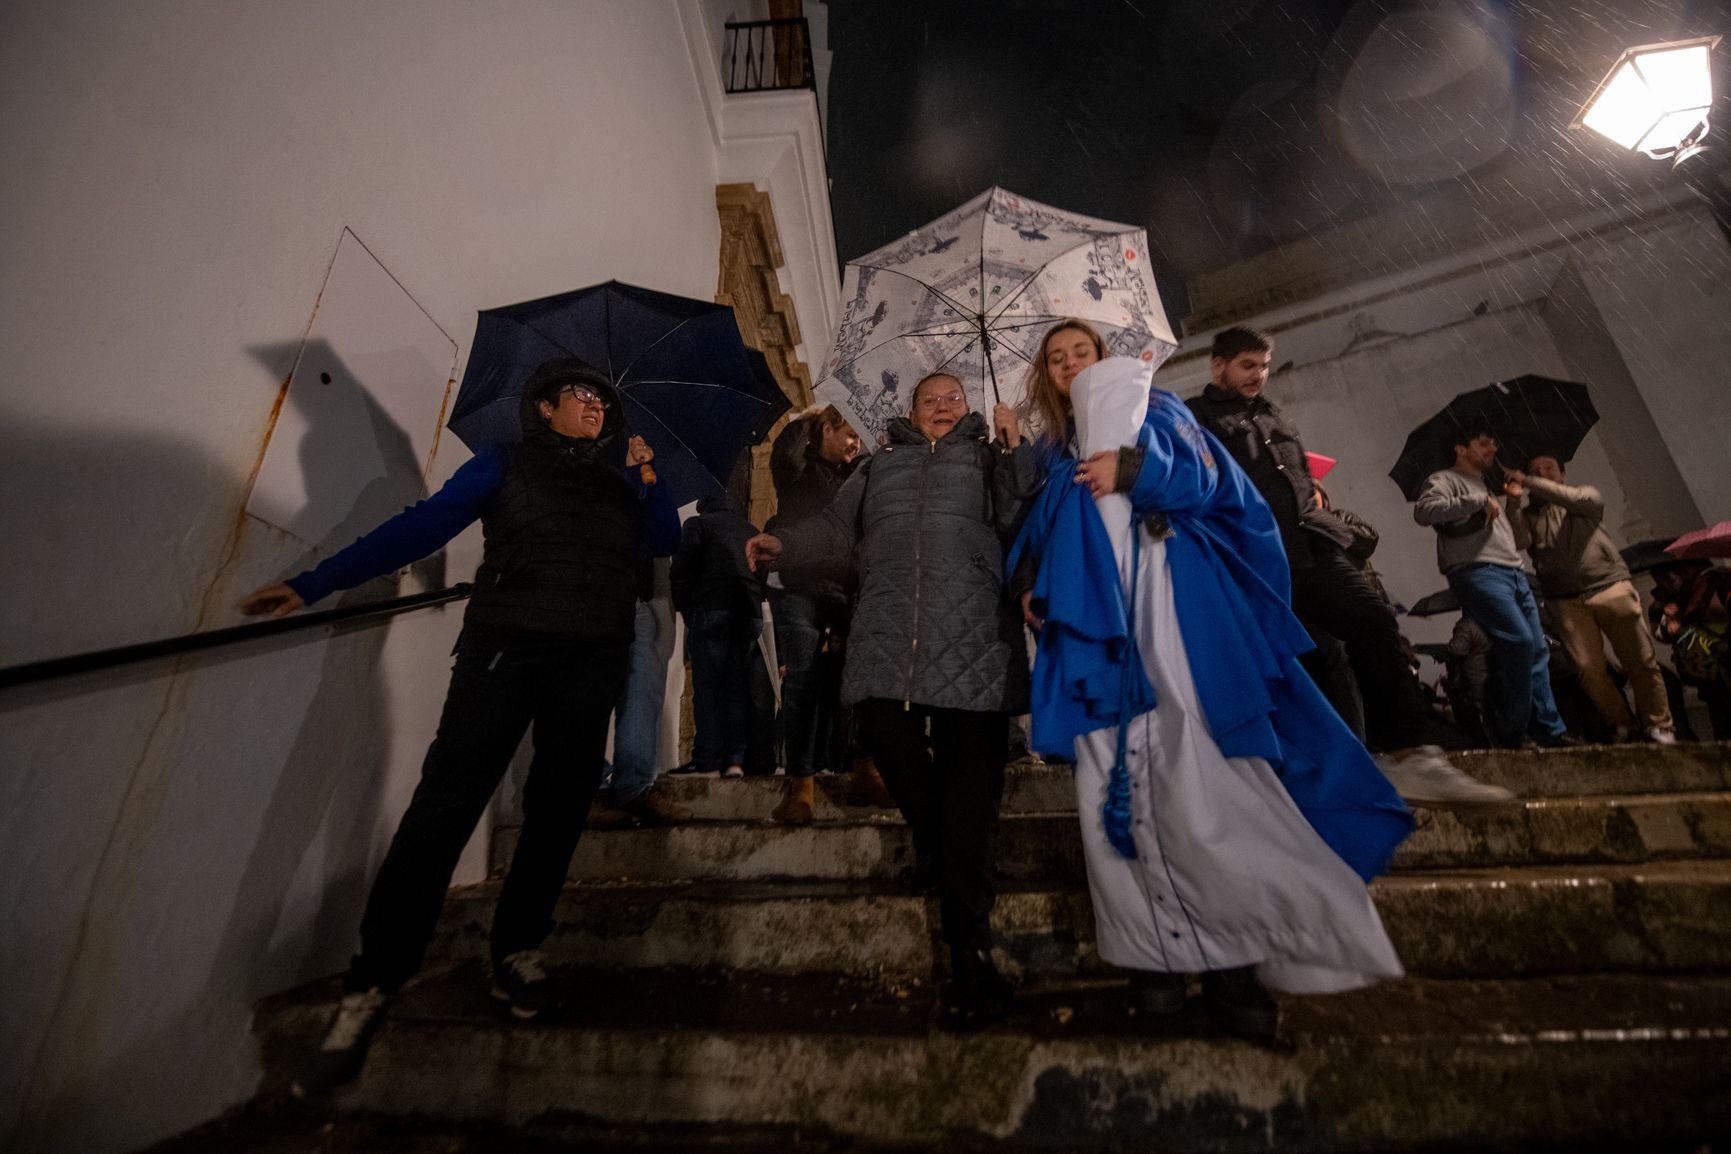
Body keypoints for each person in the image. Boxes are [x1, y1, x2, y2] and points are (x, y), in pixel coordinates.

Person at [238, 357, 678, 1093]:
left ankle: (517, 952)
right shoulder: (501, 464)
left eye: (604, 400)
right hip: (506, 648)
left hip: (591, 660)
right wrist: (315, 582)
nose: (596, 407)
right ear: (542, 408)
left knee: (558, 808)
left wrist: (647, 475)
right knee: (447, 803)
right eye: (580, 395)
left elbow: (658, 542)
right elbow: (422, 527)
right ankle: (375, 976)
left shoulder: (618, 485)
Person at [1011, 321, 1412, 1043]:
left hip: (1172, 615)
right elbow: (1043, 532)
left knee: (1200, 776)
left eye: (1081, 351)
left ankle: (1234, 967)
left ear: (1104, 359)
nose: (1070, 363)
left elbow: (1207, 481)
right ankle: (1154, 959)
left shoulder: (1157, 409)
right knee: (1111, 789)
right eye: (1056, 357)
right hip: (1096, 637)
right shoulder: (1050, 450)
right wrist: (1038, 581)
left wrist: (1129, 472)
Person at [745, 372, 1041, 1028]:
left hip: (976, 647)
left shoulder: (989, 457)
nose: (941, 405)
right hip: (886, 642)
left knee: (969, 805)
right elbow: (833, 531)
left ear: (966, 411)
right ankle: (936, 850)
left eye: (952, 399)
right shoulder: (877, 466)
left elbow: (1021, 520)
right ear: (909, 410)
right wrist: (784, 544)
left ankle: (970, 957)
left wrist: (1013, 453)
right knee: (890, 746)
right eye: (929, 397)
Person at [1186, 326, 1511, 806]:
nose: (1259, 375)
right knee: (1307, 662)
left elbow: (1290, 476)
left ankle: (1407, 754)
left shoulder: (1275, 414)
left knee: (1372, 620)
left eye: (1264, 365)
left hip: (1314, 543)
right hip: (1257, 558)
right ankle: (1329, 769)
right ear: (1219, 366)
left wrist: (1312, 495)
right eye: (1247, 366)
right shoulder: (1197, 418)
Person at [762, 405, 887, 822]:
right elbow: (783, 448)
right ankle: (800, 785)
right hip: (798, 589)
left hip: (844, 592)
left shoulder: (858, 476)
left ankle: (864, 771)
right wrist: (808, 417)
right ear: (825, 430)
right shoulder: (797, 468)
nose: (854, 443)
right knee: (802, 683)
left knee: (854, 685)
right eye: (848, 433)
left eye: (858, 437)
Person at [1413, 427, 1570, 749]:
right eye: (1483, 443)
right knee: (1520, 642)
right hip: (1477, 571)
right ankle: (1512, 732)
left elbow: (1511, 535)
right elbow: (1424, 511)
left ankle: (1549, 731)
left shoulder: (1486, 483)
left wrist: (1511, 501)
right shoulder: (1444, 478)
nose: (1493, 449)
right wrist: (1475, 500)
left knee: (1538, 649)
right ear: (1460, 448)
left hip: (1513, 570)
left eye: (1495, 443)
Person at [1508, 455, 1675, 744]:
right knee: (1588, 669)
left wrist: (1530, 479)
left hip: (1608, 585)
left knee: (1640, 660)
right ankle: (1623, 724)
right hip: (1565, 598)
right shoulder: (1531, 515)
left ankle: (1659, 724)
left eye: (1548, 468)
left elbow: (1579, 500)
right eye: (1534, 471)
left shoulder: (1584, 496)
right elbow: (1519, 541)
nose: (1541, 474)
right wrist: (1513, 502)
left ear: (1562, 472)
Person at [585, 556, 692, 828]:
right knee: (587, 693)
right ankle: (588, 789)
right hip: (587, 586)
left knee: (643, 692)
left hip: (637, 591)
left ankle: (634, 787)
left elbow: (665, 535)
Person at [671, 478, 768, 778]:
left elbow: (682, 570)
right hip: (747, 613)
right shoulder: (751, 531)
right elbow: (762, 574)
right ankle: (735, 760)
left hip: (711, 609)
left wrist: (687, 609)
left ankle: (709, 759)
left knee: (709, 686)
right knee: (736, 687)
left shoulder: (698, 526)